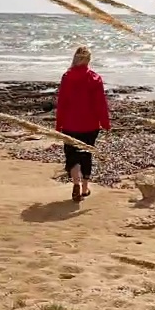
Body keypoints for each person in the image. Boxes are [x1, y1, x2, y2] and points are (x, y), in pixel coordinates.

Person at [55, 46, 111, 202]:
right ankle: (85, 188)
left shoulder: (67, 77)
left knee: (72, 155)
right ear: (89, 60)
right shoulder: (95, 78)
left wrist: (58, 124)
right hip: (90, 124)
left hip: (70, 123)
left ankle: (76, 183)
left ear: (75, 58)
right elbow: (101, 104)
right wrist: (105, 123)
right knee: (86, 154)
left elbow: (62, 103)